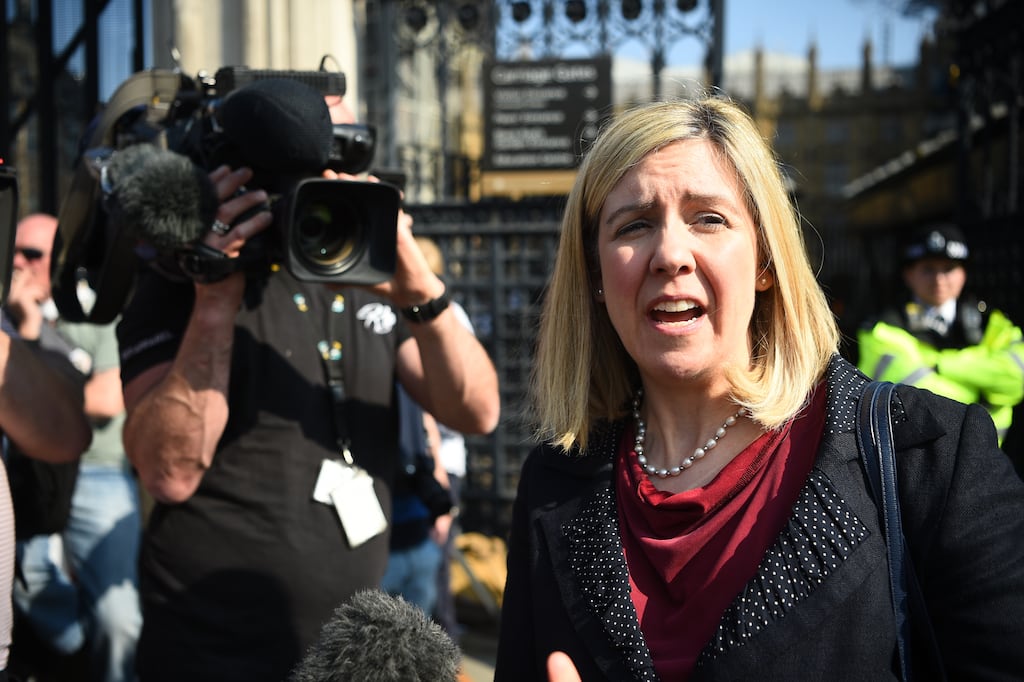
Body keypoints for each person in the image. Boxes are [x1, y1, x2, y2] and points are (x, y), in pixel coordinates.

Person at [494, 96, 1024, 681]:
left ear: (766, 260)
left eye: (709, 219)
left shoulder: (933, 458)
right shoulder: (552, 482)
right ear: (596, 274)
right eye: (634, 225)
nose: (670, 254)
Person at [117, 79, 499, 681]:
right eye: (306, 156)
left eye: (344, 152)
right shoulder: (179, 279)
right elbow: (169, 471)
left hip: (350, 657)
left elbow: (476, 410)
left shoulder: (363, 268)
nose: (324, 173)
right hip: (213, 651)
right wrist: (214, 299)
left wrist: (421, 291)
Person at [5, 213, 141, 682]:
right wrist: (24, 326)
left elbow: (106, 397)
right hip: (29, 473)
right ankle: (79, 659)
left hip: (97, 469)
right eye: (13, 249)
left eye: (33, 253)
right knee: (27, 582)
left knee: (119, 616)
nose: (19, 262)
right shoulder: (7, 315)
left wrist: (48, 387)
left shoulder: (93, 306)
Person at [857, 223, 1024, 447]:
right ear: (908, 275)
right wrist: (983, 385)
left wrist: (940, 365)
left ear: (963, 273)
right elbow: (916, 400)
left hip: (986, 461)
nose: (939, 279)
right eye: (928, 268)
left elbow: (1017, 379)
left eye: (948, 268)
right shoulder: (882, 328)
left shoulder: (992, 322)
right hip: (918, 465)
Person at [413, 236, 473, 637]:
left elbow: (463, 400)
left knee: (435, 562)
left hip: (443, 462)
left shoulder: (449, 317)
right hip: (425, 461)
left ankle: (444, 640)